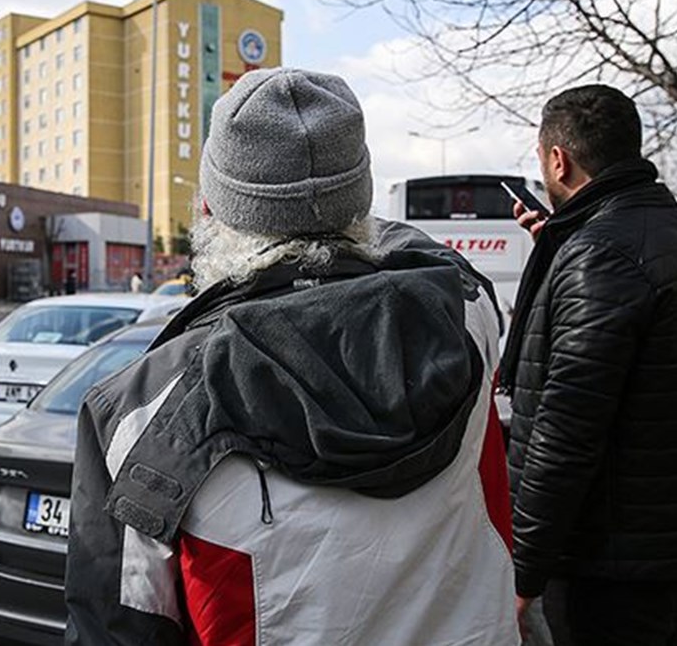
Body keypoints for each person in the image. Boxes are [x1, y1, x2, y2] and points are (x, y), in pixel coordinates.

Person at [64, 68, 517, 645]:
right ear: (362, 201)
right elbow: (430, 253)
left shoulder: (139, 417)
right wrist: (330, 203)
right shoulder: (466, 317)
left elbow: (118, 630)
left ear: (209, 209)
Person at [501, 84, 677, 645]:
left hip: (611, 569)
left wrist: (523, 569)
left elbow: (567, 430)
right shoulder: (648, 230)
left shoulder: (600, 256)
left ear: (559, 160)